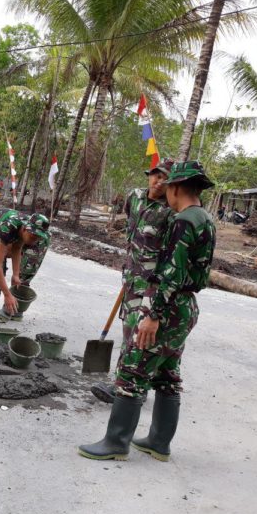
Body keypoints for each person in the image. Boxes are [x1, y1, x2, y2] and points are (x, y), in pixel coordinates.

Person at [79, 161, 216, 462]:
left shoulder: (182, 221)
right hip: (185, 307)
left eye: (168, 185)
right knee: (167, 373)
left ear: (176, 188)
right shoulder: (204, 218)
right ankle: (158, 441)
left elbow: (171, 273)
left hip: (166, 307)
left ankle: (116, 443)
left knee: (132, 370)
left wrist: (152, 314)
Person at [90, 160, 173, 403]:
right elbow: (131, 225)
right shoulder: (134, 197)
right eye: (155, 176)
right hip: (131, 276)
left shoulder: (170, 210)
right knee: (129, 329)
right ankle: (129, 380)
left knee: (140, 332)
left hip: (152, 282)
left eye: (164, 178)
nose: (158, 181)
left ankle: (126, 385)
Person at [0, 212, 51, 321]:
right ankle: (14, 308)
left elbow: (12, 251)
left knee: (24, 273)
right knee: (15, 271)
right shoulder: (14, 228)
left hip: (38, 244)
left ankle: (13, 310)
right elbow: (11, 250)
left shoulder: (39, 237)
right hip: (23, 233)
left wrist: (15, 274)